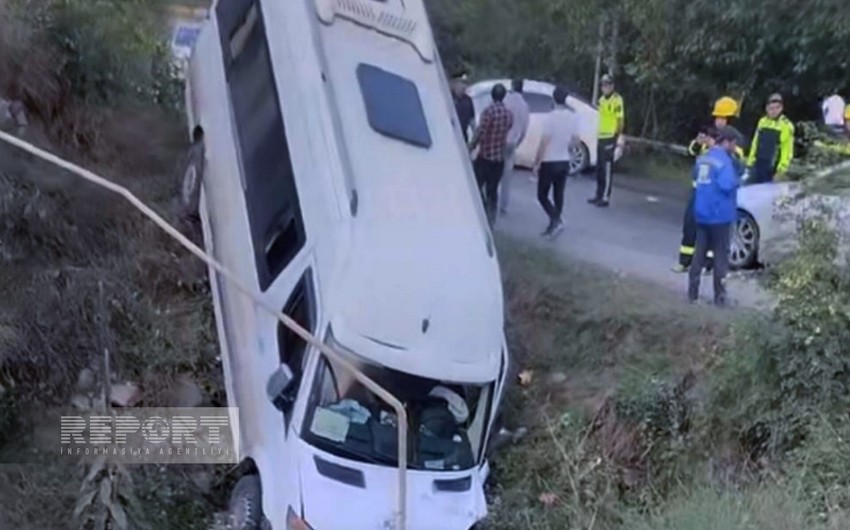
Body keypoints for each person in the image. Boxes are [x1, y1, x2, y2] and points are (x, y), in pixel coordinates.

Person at [675, 96, 743, 273]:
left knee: (712, 229)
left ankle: (709, 265)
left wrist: (716, 147)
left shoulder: (734, 142)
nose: (718, 121)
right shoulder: (709, 134)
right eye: (717, 117)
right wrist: (699, 143)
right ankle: (684, 261)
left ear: (730, 119)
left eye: (722, 118)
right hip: (698, 189)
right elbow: (692, 151)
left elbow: (737, 160)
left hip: (715, 193)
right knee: (690, 224)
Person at [688, 126, 744, 307]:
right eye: (734, 144)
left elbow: (696, 176)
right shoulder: (724, 162)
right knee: (721, 257)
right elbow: (728, 185)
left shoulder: (703, 158)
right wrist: (738, 179)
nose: (735, 147)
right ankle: (720, 298)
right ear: (726, 142)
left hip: (701, 212)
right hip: (720, 215)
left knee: (699, 254)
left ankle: (692, 294)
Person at [532, 86, 579, 238]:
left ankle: (556, 220)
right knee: (559, 194)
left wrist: (537, 161)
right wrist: (566, 146)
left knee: (542, 195)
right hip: (564, 160)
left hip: (549, 161)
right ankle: (554, 223)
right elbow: (576, 140)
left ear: (553, 99)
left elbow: (544, 141)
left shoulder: (550, 118)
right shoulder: (572, 117)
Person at [469, 83, 513, 226]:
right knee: (492, 190)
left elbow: (481, 132)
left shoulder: (488, 112)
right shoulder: (508, 114)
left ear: (492, 95)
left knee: (475, 184)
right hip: (499, 159)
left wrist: (472, 145)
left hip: (486, 156)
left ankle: (478, 212)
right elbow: (509, 128)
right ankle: (491, 219)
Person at [588, 74, 624, 207]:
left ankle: (605, 197)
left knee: (607, 168)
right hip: (601, 136)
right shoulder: (601, 100)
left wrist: (617, 136)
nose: (605, 88)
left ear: (612, 86)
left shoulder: (617, 100)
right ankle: (598, 194)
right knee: (599, 168)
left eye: (607, 85)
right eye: (603, 85)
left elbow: (620, 120)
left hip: (610, 136)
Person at [499, 78, 531, 216]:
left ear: (512, 86)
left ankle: (490, 199)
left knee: (495, 172)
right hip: (513, 143)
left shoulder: (506, 101)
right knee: (507, 175)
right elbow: (524, 128)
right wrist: (518, 142)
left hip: (501, 140)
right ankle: (504, 205)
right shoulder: (524, 105)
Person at [746, 93, 794, 184]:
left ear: (781, 108)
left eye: (777, 108)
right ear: (766, 108)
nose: (774, 111)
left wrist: (781, 170)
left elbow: (787, 150)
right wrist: (750, 162)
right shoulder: (762, 122)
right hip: (757, 164)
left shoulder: (786, 126)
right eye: (771, 108)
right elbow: (755, 143)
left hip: (772, 168)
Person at [450, 69, 475, 144]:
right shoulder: (447, 99)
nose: (464, 86)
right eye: (461, 83)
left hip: (462, 140)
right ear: (454, 83)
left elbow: (472, 121)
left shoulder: (468, 101)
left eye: (465, 84)